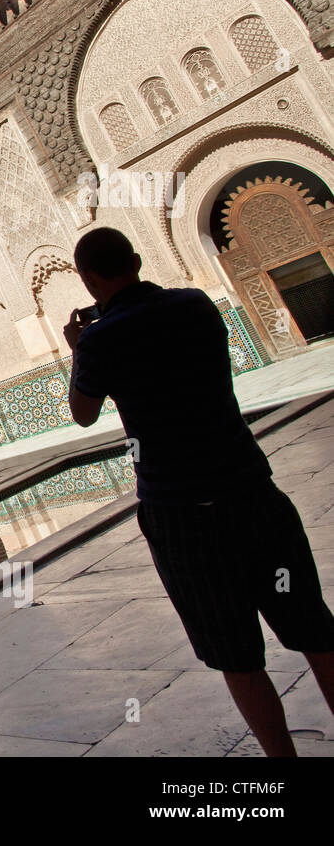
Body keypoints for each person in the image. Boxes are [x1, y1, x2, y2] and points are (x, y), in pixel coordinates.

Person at [64, 226, 334, 757]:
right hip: (253, 496)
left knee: (236, 655)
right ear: (139, 260)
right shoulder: (196, 306)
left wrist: (80, 349)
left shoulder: (99, 341)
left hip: (181, 517)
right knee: (315, 630)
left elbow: (82, 413)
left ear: (88, 280)